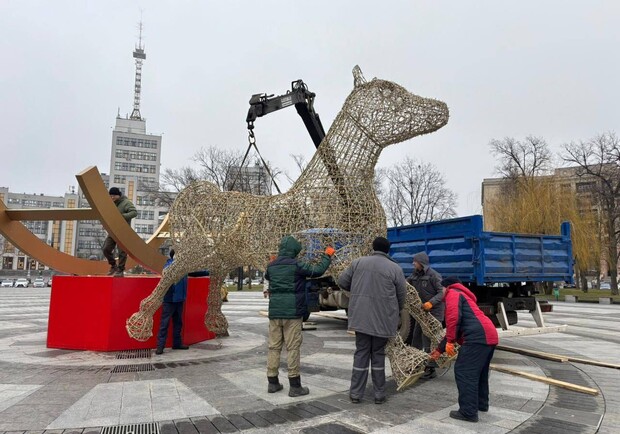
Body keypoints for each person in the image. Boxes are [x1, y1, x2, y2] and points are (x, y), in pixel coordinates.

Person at [338, 236, 407, 404]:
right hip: (383, 319)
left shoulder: (358, 263)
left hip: (361, 318)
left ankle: (355, 394)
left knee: (361, 353)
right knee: (378, 355)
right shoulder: (395, 269)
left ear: (373, 247)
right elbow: (402, 296)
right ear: (388, 250)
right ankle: (379, 395)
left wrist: (356, 290)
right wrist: (393, 310)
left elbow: (342, 282)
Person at [265, 235, 334, 397]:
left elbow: (268, 276)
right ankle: (295, 386)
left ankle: (272, 382)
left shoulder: (271, 266)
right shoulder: (297, 265)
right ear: (294, 250)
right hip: (293, 312)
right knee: (292, 347)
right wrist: (327, 255)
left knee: (274, 346)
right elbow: (317, 271)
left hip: (275, 313)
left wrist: (274, 263)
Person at [429, 277, 498, 423]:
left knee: (464, 372)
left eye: (441, 289)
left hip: (477, 338)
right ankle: (481, 404)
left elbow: (454, 319)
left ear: (446, 287)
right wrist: (440, 350)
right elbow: (459, 325)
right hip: (489, 336)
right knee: (479, 373)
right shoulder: (465, 296)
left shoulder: (453, 293)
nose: (441, 292)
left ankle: (468, 412)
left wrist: (451, 341)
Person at [155, 249, 209, 355]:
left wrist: (209, 271)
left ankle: (177, 343)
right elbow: (167, 271)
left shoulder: (183, 267)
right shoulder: (168, 265)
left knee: (178, 323)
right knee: (164, 324)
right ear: (174, 256)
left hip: (180, 299)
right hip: (169, 299)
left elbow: (196, 272)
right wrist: (177, 263)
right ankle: (160, 346)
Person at [406, 251, 444, 379]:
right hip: (422, 313)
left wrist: (431, 303)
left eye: (415, 262)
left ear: (421, 263)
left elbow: (442, 293)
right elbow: (406, 285)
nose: (413, 263)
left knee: (428, 339)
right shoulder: (414, 275)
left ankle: (430, 368)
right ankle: (416, 362)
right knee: (416, 336)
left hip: (434, 312)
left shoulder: (434, 275)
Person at [102, 187, 137, 277]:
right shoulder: (110, 204)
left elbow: (134, 212)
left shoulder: (126, 203)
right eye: (111, 196)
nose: (112, 197)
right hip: (113, 231)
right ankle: (113, 265)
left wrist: (122, 216)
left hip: (123, 231)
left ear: (118, 195)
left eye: (114, 195)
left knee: (122, 251)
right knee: (106, 248)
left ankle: (120, 270)